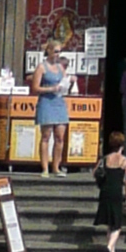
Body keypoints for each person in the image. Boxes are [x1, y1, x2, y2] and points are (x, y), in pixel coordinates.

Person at [32, 44, 73, 177]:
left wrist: (69, 81)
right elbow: (35, 88)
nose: (57, 54)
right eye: (55, 51)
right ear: (49, 51)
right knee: (46, 136)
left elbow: (64, 82)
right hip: (46, 102)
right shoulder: (41, 67)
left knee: (60, 136)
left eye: (59, 52)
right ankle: (45, 168)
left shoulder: (60, 67)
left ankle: (56, 167)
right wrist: (51, 89)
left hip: (59, 102)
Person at [95, 135, 126, 252]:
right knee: (118, 225)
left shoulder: (104, 159)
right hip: (116, 193)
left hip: (104, 192)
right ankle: (109, 247)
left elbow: (95, 172)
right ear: (122, 145)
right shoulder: (125, 161)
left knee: (110, 224)